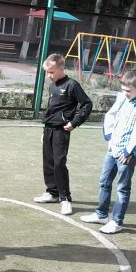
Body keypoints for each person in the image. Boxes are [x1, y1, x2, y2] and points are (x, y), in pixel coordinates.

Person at [80, 69, 136, 234]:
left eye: (128, 91)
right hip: (113, 149)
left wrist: (131, 152)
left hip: (127, 156)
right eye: (123, 90)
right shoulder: (122, 98)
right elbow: (112, 116)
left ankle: (117, 222)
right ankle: (101, 214)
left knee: (122, 188)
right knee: (104, 181)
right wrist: (109, 137)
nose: (125, 93)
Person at [33, 53, 92, 215]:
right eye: (47, 72)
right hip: (49, 129)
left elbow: (87, 104)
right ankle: (52, 193)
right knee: (48, 162)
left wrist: (74, 122)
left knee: (59, 163)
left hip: (61, 130)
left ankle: (65, 198)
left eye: (51, 72)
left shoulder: (72, 85)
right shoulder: (52, 86)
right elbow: (51, 109)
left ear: (61, 69)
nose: (49, 75)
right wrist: (44, 130)